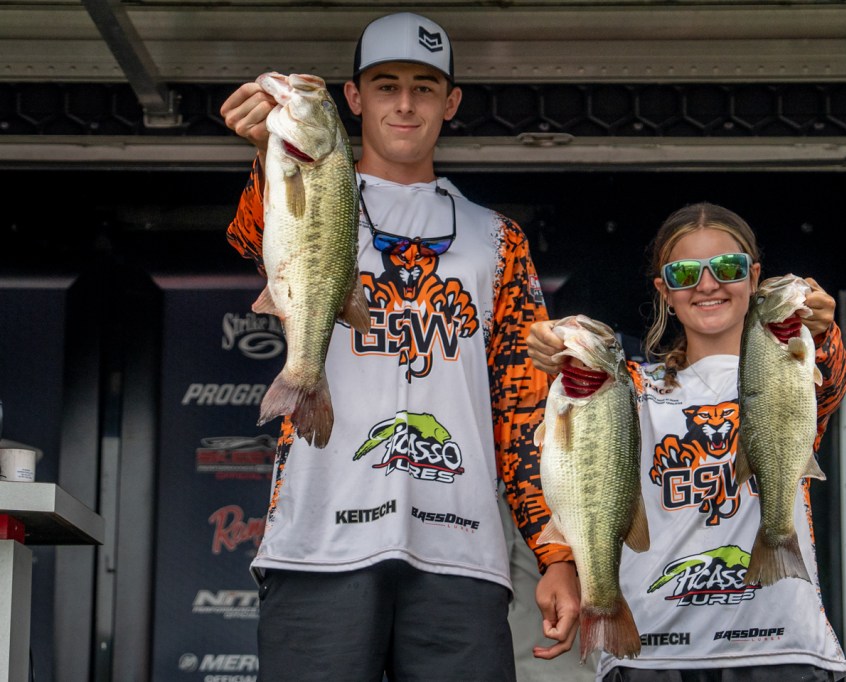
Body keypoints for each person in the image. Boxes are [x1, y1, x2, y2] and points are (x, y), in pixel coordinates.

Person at [219, 12, 579, 680]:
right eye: (386, 86)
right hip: (317, 541)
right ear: (354, 98)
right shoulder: (309, 183)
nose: (405, 103)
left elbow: (524, 407)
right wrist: (264, 149)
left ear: (451, 101)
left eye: (424, 87)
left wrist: (555, 552)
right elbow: (251, 236)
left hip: (461, 552)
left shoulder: (499, 239)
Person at [527, 202, 846, 682]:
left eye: (728, 267)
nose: (707, 284)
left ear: (754, 277)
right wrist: (552, 337)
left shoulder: (792, 368)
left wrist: (821, 333)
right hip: (652, 654)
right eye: (684, 273)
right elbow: (572, 471)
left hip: (782, 647)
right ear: (665, 291)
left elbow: (834, 379)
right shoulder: (626, 385)